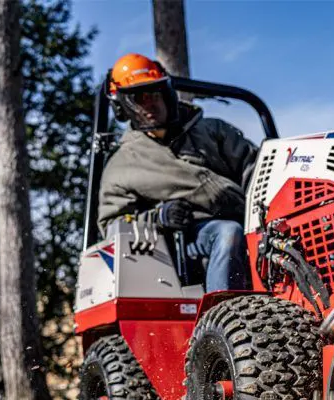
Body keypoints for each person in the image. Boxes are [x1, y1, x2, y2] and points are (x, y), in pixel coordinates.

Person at [98, 53, 256, 292]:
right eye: (139, 98)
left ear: (167, 93)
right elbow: (112, 224)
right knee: (227, 233)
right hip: (182, 243)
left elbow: (255, 168)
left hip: (248, 220)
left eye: (154, 94)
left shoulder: (212, 131)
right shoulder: (123, 164)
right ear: (122, 108)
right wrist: (158, 217)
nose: (150, 104)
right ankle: (227, 317)